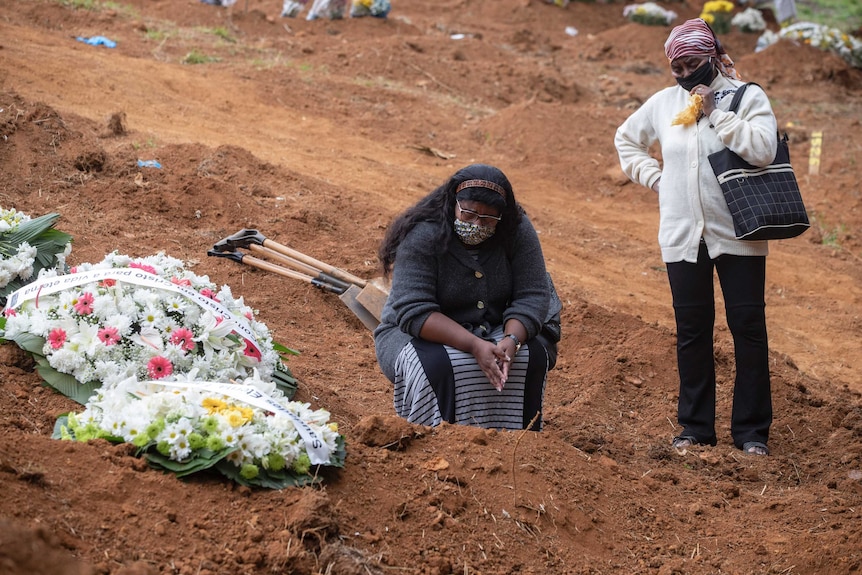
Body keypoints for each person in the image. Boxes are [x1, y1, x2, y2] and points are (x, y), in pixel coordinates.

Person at [614, 18, 778, 456]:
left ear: (711, 56)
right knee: (692, 330)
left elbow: (763, 150)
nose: (685, 74)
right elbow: (626, 139)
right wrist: (656, 178)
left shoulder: (746, 97)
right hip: (683, 236)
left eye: (692, 64)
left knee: (747, 327)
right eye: (677, 67)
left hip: (739, 233)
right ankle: (695, 429)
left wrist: (716, 113)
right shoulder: (664, 103)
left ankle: (751, 433)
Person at [373, 164, 561, 431]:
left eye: (487, 220)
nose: (476, 224)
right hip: (417, 333)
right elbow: (414, 312)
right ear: (454, 202)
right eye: (469, 213)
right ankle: (436, 438)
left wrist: (512, 340)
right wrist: (474, 346)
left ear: (502, 218)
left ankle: (514, 441)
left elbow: (532, 294)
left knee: (529, 359)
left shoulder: (516, 231)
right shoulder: (423, 234)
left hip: (494, 328)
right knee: (438, 367)